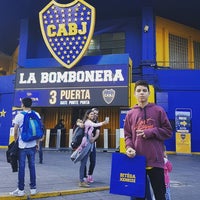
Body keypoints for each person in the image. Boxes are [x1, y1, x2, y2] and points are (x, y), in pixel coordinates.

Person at [124, 80, 173, 200]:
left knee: (160, 195)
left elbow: (168, 131)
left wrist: (150, 132)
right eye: (139, 91)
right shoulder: (130, 114)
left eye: (144, 91)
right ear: (134, 94)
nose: (142, 93)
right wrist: (129, 147)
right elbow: (127, 135)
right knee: (138, 196)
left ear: (149, 93)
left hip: (156, 161)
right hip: (137, 161)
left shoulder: (158, 110)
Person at [10, 97, 40, 197]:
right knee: (32, 167)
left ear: (22, 105)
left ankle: (21, 190)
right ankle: (33, 189)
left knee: (22, 168)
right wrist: (37, 144)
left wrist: (16, 142)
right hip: (32, 145)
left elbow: (15, 131)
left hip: (22, 146)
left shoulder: (19, 116)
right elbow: (38, 130)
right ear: (31, 105)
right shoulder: (36, 114)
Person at [73, 109, 108, 188]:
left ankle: (83, 179)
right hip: (86, 143)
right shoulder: (88, 122)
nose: (93, 115)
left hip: (89, 143)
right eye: (91, 114)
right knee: (83, 162)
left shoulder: (89, 121)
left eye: (94, 114)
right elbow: (95, 125)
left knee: (85, 162)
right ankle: (82, 180)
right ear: (88, 115)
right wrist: (104, 122)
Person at [84, 107, 100, 183]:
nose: (95, 115)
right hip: (84, 143)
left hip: (92, 143)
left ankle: (90, 175)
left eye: (97, 114)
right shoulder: (86, 120)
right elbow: (79, 122)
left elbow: (98, 132)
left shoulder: (97, 122)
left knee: (93, 160)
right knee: (84, 160)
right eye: (94, 113)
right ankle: (84, 176)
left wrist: (94, 138)